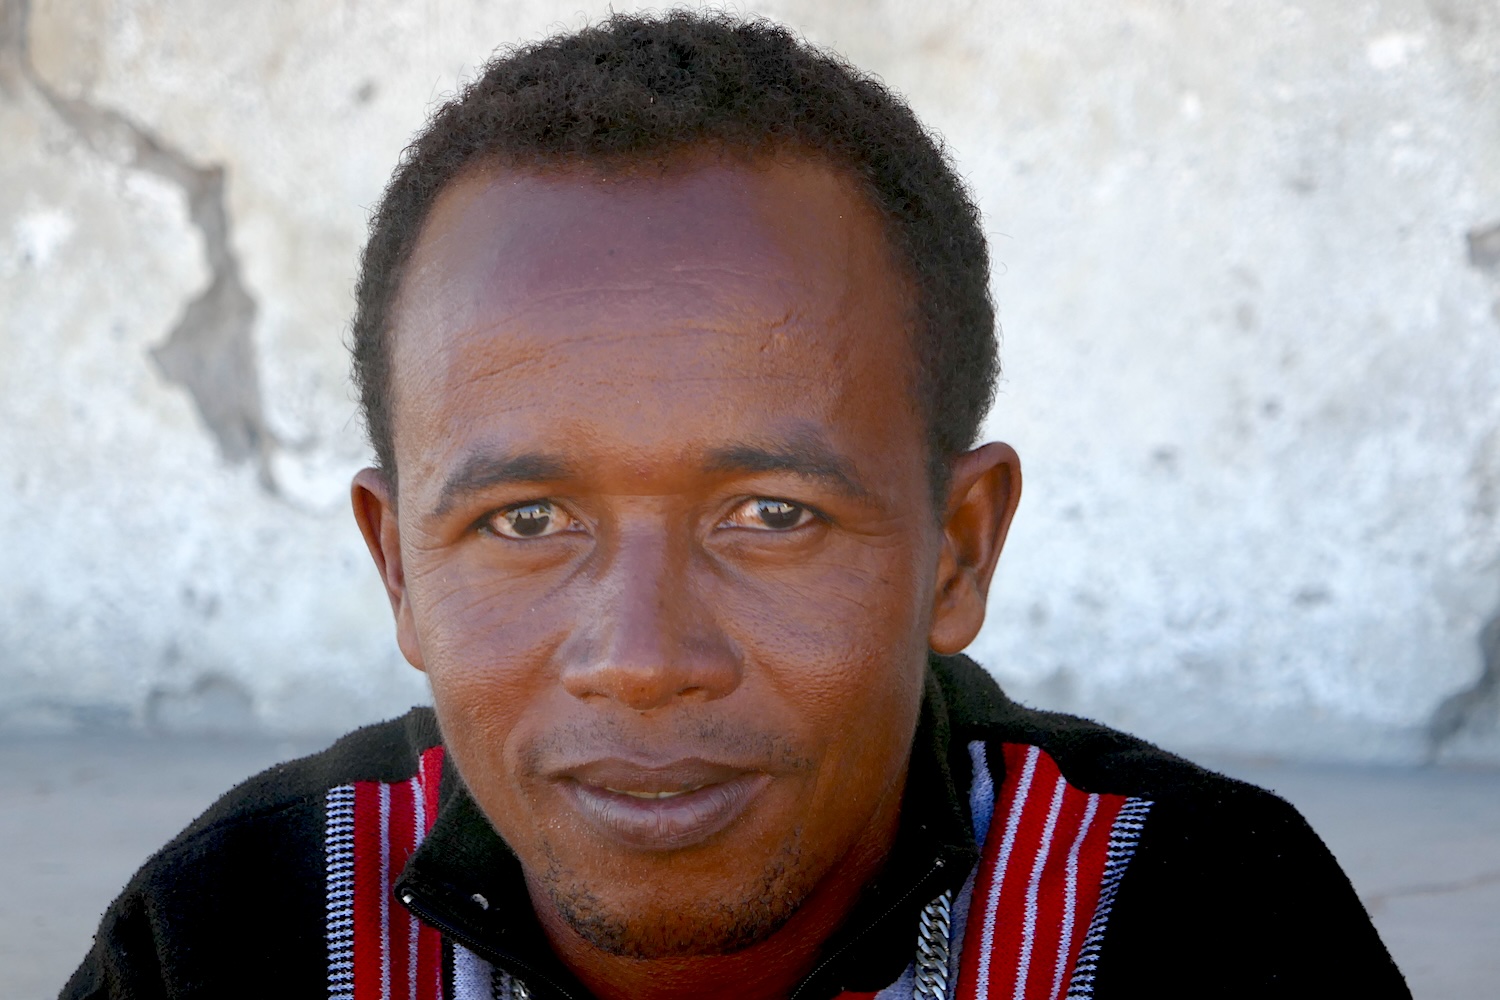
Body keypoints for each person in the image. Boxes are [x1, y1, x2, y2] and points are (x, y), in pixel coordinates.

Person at [63, 12, 1409, 1000]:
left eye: (772, 516)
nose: (644, 659)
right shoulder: (243, 934)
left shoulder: (1199, 928)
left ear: (959, 548)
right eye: (527, 521)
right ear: (400, 568)